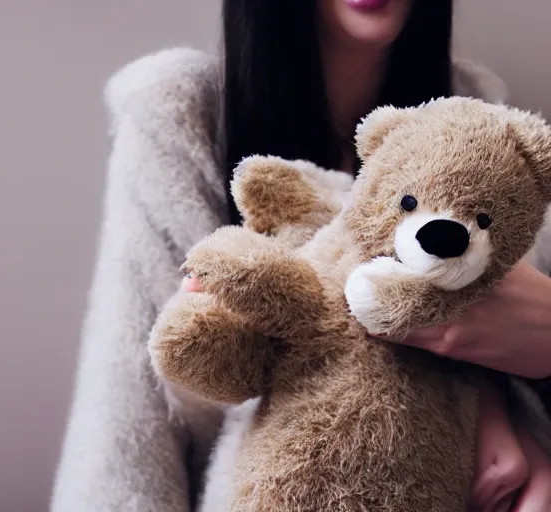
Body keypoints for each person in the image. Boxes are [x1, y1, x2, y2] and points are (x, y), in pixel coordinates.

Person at [51, 1, 551, 510]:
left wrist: (520, 404)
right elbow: (130, 414)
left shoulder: (480, 118)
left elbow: (502, 364)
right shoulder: (183, 108)